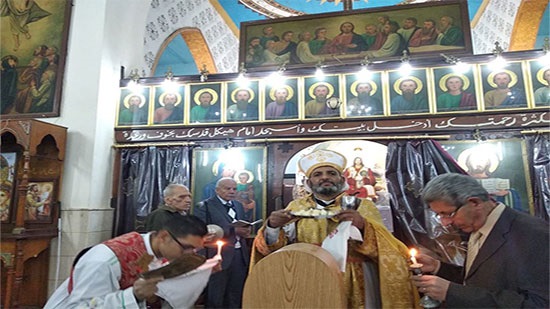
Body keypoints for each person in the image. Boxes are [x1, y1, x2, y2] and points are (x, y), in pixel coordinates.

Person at [250, 149, 419, 308]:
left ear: (342, 179)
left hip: (354, 275)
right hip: (308, 275)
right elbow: (275, 250)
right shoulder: (295, 207)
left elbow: (386, 248)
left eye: (331, 173)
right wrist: (272, 227)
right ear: (309, 182)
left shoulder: (362, 206)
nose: (325, 177)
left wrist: (362, 226)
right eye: (318, 174)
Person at [412, 173, 549, 308]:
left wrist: (452, 292)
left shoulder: (534, 234)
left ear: (475, 202)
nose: (445, 223)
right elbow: (478, 279)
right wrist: (438, 267)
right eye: (439, 215)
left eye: (448, 214)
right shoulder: (476, 226)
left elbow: (539, 304)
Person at [44, 215, 209, 308]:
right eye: (186, 248)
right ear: (164, 237)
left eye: (195, 250)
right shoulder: (104, 260)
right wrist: (134, 296)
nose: (190, 254)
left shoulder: (152, 249)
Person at [194, 177, 251, 308]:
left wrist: (245, 230)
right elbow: (202, 230)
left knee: (236, 293)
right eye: (228, 188)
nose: (232, 191)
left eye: (234, 189)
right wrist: (233, 231)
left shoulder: (238, 205)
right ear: (217, 190)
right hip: (217, 255)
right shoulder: (205, 206)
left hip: (238, 255)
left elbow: (241, 223)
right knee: (216, 294)